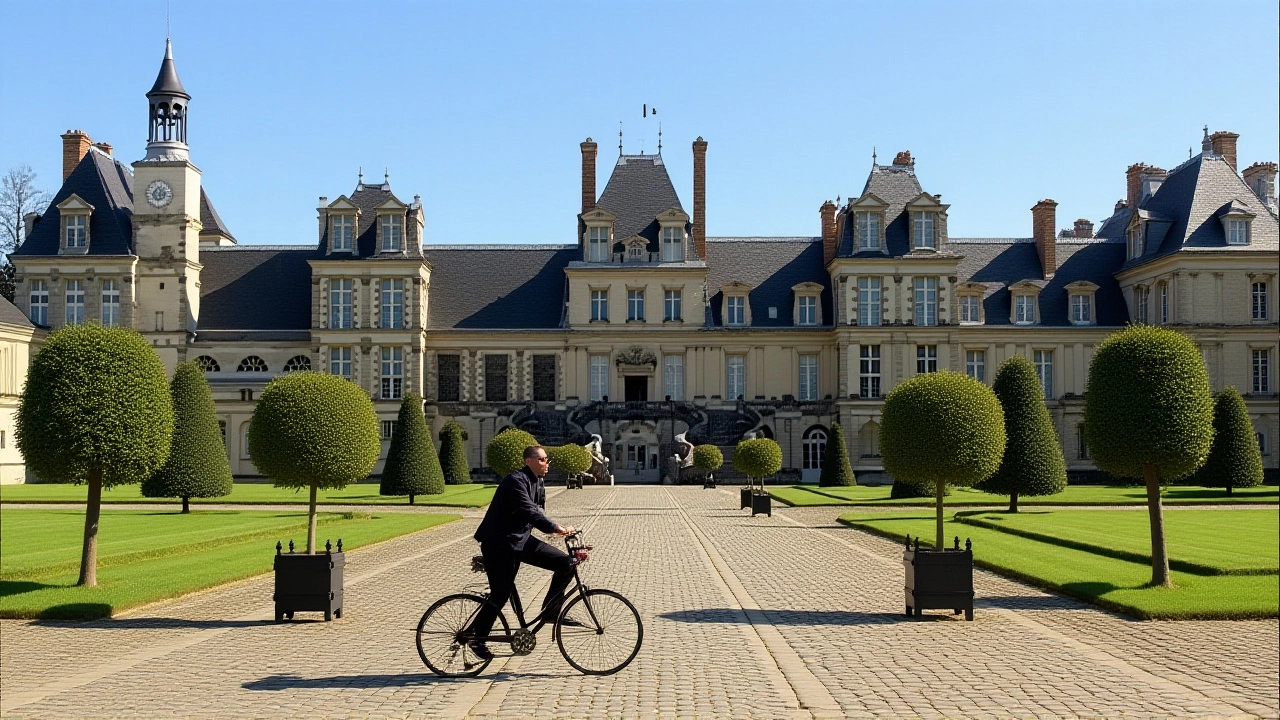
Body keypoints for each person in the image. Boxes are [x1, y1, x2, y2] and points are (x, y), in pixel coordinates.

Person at [467, 444, 577, 661]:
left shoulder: (538, 481)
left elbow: (537, 512)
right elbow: (527, 509)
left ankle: (551, 611)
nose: (547, 463)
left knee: (566, 563)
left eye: (547, 459)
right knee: (501, 594)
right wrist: (555, 528)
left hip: (521, 540)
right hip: (499, 543)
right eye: (543, 459)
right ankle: (476, 638)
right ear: (529, 461)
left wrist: (557, 530)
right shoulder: (515, 481)